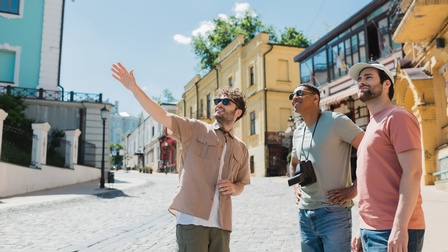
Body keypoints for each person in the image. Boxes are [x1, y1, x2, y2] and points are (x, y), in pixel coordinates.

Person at [111, 62, 250, 252]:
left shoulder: (241, 147)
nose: (219, 104)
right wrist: (134, 88)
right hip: (192, 220)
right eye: (217, 100)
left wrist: (234, 187)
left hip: (222, 225)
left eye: (225, 102)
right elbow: (161, 115)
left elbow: (241, 184)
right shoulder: (196, 129)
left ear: (238, 112)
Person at [348, 62, 425, 252]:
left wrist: (399, 227)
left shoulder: (397, 117)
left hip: (393, 229)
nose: (361, 82)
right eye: (359, 79)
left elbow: (413, 172)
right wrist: (363, 227)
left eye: (368, 77)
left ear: (386, 84)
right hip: (372, 230)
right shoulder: (372, 125)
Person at [289, 83, 364, 252]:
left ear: (316, 98)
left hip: (334, 212)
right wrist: (295, 186)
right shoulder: (298, 132)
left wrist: (355, 188)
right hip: (304, 213)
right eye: (291, 96)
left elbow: (370, 148)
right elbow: (293, 163)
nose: (294, 98)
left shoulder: (336, 121)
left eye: (299, 93)